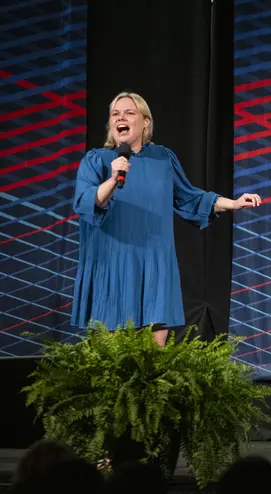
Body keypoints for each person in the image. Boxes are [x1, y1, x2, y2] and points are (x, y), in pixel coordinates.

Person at [72, 91, 261, 346]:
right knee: (112, 357)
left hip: (154, 263)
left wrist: (233, 203)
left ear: (145, 121)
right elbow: (90, 201)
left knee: (153, 353)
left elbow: (190, 197)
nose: (121, 118)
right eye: (115, 114)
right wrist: (113, 178)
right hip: (113, 262)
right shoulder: (96, 160)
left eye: (129, 112)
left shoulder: (162, 159)